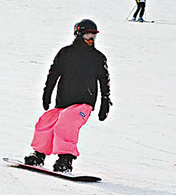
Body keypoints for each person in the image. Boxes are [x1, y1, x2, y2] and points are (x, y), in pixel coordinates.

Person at [24, 19, 111, 173]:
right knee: (45, 124)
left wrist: (105, 101)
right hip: (63, 102)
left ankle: (65, 159)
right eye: (87, 36)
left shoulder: (98, 58)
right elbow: (54, 73)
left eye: (93, 36)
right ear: (78, 35)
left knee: (67, 123)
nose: (91, 40)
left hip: (84, 103)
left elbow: (105, 81)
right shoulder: (66, 53)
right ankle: (39, 155)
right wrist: (47, 92)